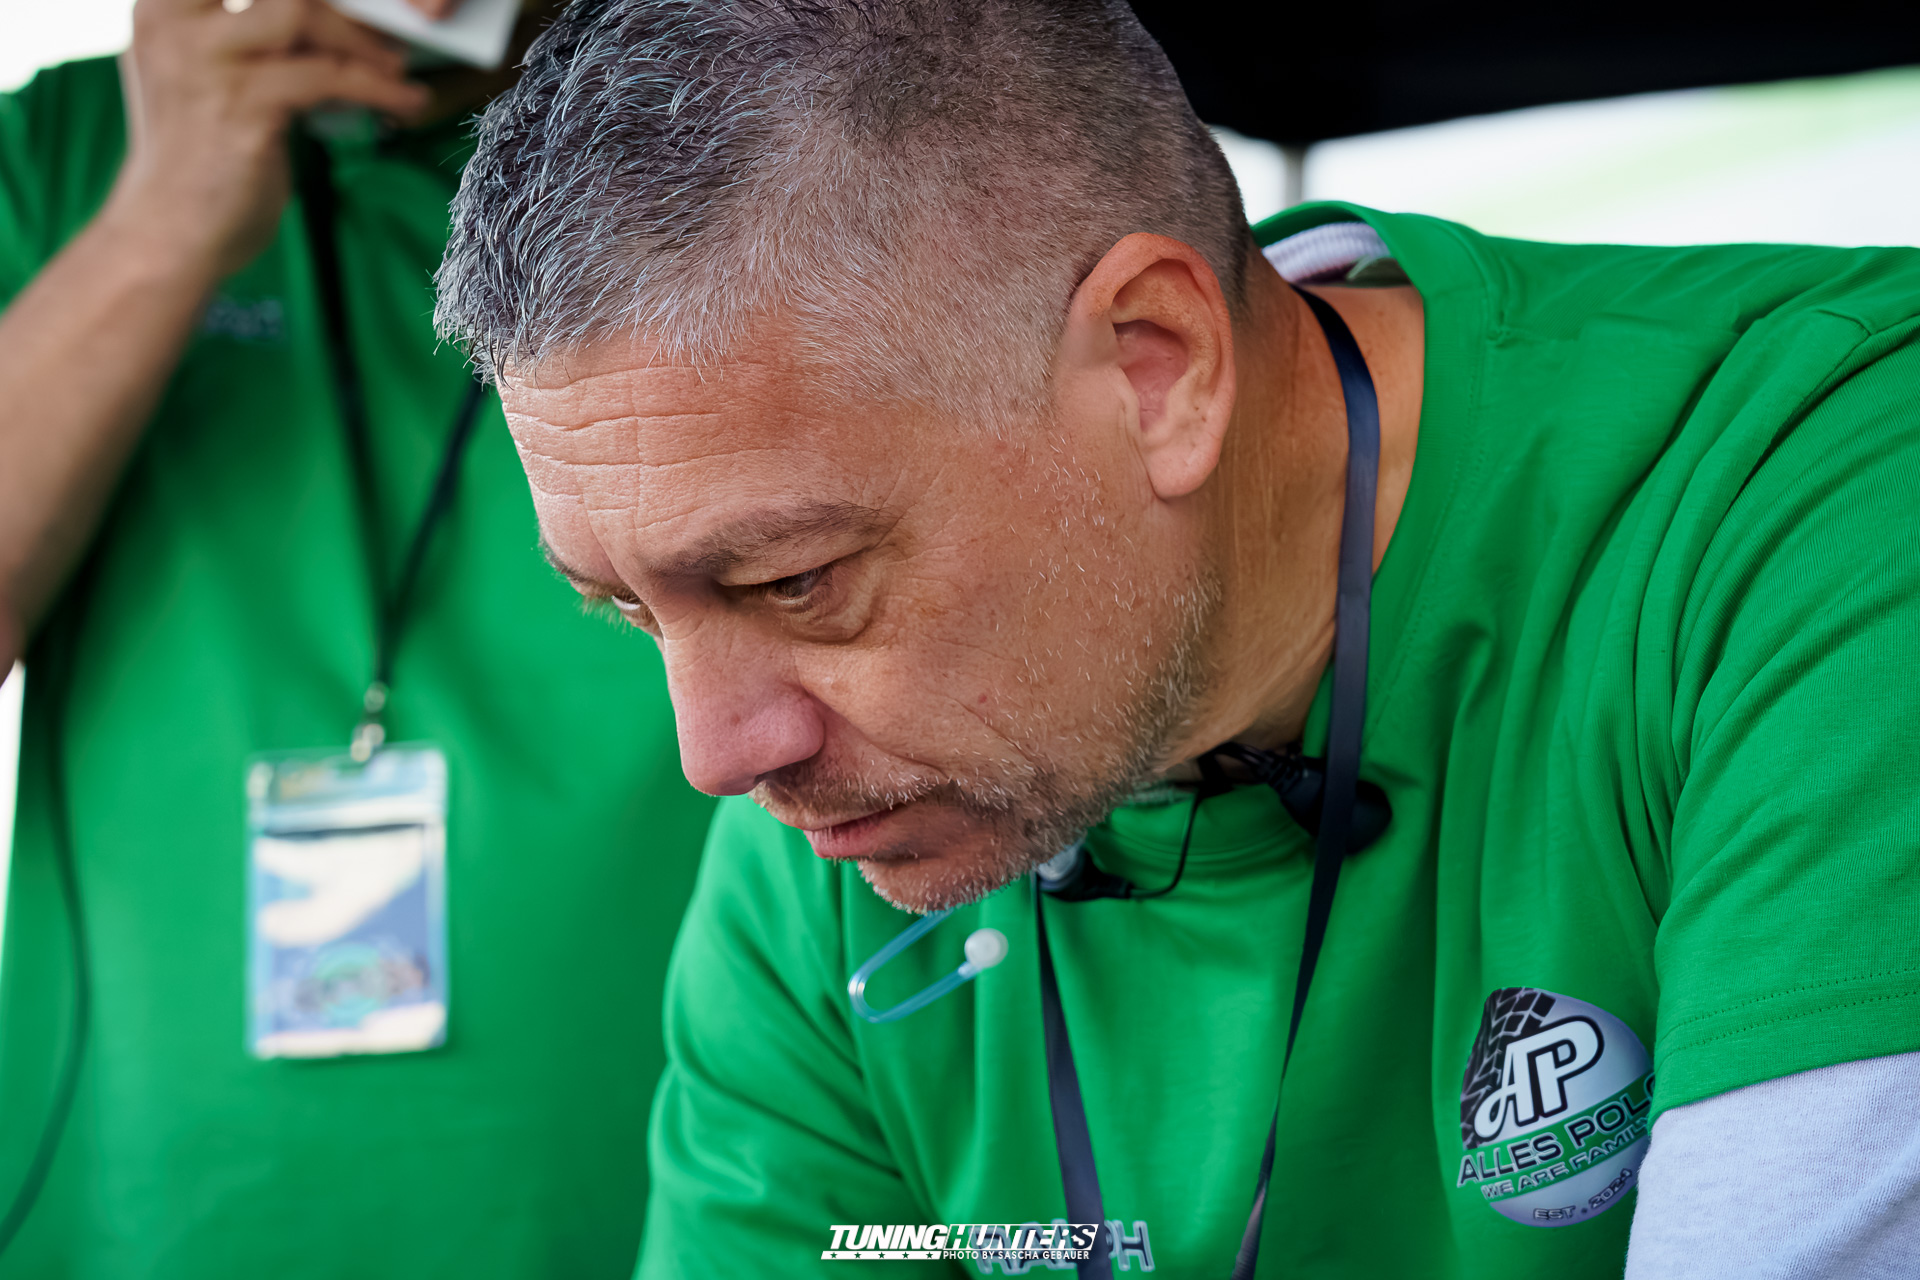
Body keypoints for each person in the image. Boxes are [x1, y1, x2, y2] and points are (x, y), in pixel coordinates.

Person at [438, 0, 1920, 1276]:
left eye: (796, 579)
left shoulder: (1824, 489)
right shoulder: (839, 835)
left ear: (1158, 370)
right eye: (628, 607)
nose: (717, 753)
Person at [0, 1, 713, 1275]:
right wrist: (156, 225)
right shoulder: (62, 152)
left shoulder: (747, 127)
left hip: (663, 1200)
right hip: (144, 1220)